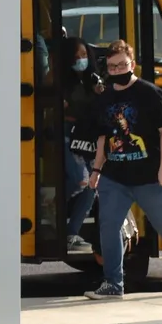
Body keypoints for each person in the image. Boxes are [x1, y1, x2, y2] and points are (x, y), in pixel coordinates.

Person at [83, 40, 162, 301]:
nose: (116, 70)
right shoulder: (105, 99)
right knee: (108, 227)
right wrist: (96, 170)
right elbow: (103, 137)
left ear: (132, 64)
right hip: (115, 177)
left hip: (150, 175)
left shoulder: (151, 93)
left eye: (122, 65)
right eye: (112, 66)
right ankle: (113, 284)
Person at [61, 37, 102, 254]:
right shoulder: (62, 82)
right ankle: (48, 208)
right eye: (76, 57)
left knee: (91, 187)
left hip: (88, 138)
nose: (81, 60)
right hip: (68, 135)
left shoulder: (93, 81)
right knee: (81, 179)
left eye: (84, 55)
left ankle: (70, 233)